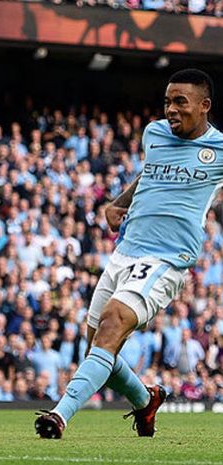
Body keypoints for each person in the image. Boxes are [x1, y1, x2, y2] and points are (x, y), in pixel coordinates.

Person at [36, 69, 223, 439]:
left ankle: (60, 415)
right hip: (125, 252)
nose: (170, 109)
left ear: (204, 106)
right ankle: (145, 400)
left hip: (166, 259)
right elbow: (149, 173)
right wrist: (117, 203)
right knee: (99, 347)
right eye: (168, 101)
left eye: (180, 102)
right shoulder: (154, 134)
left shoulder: (218, 151)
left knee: (112, 323)